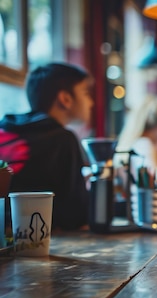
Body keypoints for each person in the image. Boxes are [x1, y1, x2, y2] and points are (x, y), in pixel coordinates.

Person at [0, 62, 92, 230]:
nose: (91, 102)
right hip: (36, 238)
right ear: (65, 99)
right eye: (85, 93)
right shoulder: (64, 139)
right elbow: (76, 216)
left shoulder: (4, 129)